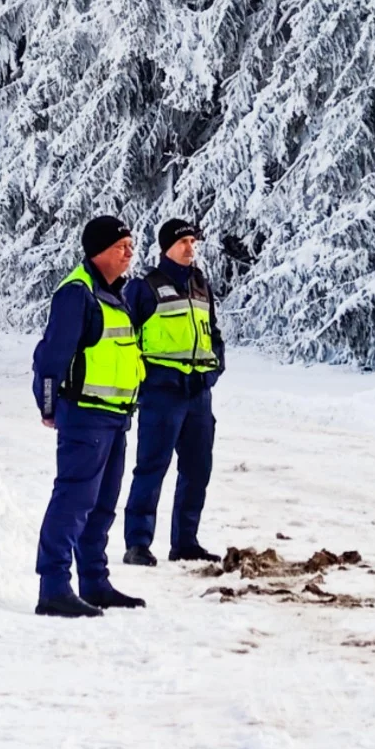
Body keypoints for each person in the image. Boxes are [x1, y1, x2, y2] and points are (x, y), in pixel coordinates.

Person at [30, 216, 149, 618]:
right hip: (85, 418)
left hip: (116, 418)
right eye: (121, 247)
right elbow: (50, 357)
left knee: (102, 505)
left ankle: (95, 582)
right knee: (74, 501)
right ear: (98, 251)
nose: (129, 253)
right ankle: (53, 588)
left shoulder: (120, 294)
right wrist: (48, 406)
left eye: (131, 245)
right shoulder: (77, 294)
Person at [120, 219, 224, 565]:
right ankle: (137, 543)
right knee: (151, 468)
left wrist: (214, 370)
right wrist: (142, 382)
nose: (190, 248)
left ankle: (185, 542)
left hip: (198, 395)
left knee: (198, 469)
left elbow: (213, 333)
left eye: (193, 242)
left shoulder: (200, 285)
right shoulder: (145, 288)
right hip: (162, 395)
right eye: (184, 243)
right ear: (167, 247)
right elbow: (125, 339)